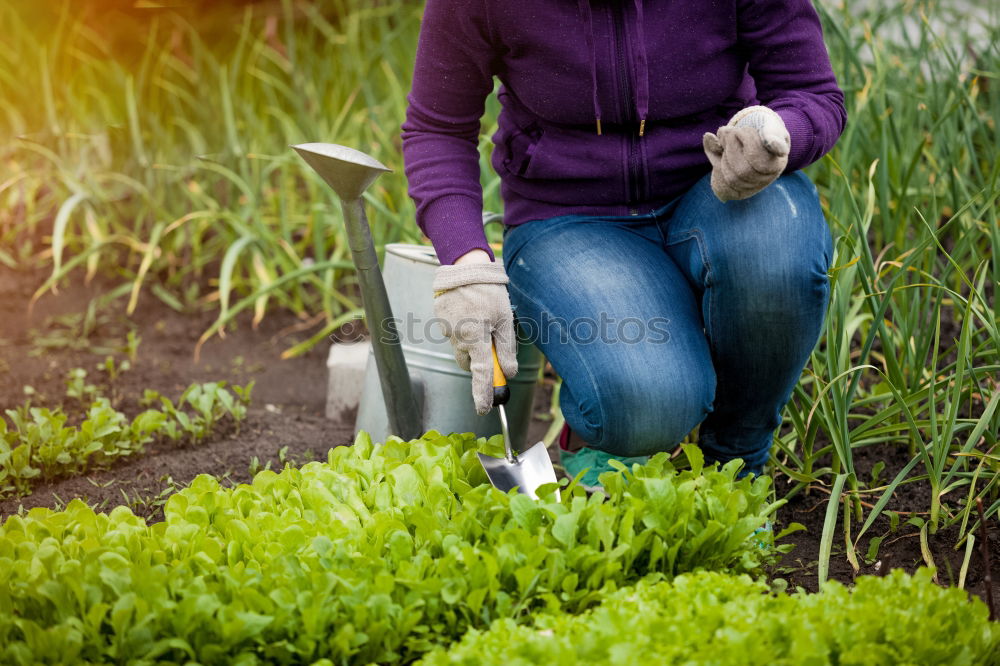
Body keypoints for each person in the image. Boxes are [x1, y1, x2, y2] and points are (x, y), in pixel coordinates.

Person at [401, 0, 845, 490]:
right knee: (646, 403)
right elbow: (438, 129)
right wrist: (465, 261)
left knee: (776, 250)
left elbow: (811, 93)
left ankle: (735, 464)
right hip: (568, 219)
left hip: (720, 187)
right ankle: (608, 430)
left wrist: (778, 133)